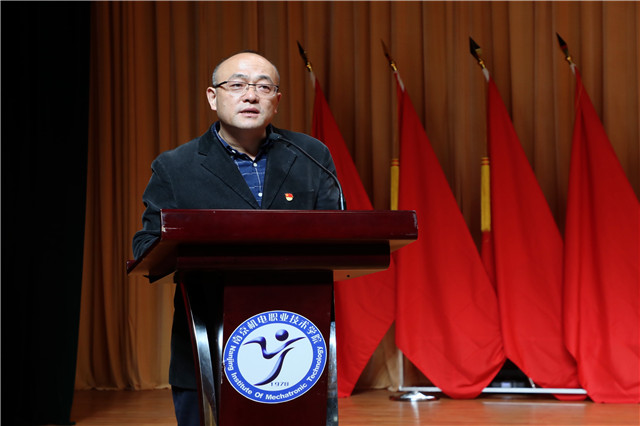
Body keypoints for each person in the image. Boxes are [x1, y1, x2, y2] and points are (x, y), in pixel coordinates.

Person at [132, 51, 342, 425]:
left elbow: (339, 234)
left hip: (297, 339)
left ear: (277, 100)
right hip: (210, 337)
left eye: (263, 87)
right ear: (213, 97)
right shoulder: (175, 166)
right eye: (238, 85)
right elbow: (147, 244)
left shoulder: (310, 155)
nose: (250, 95)